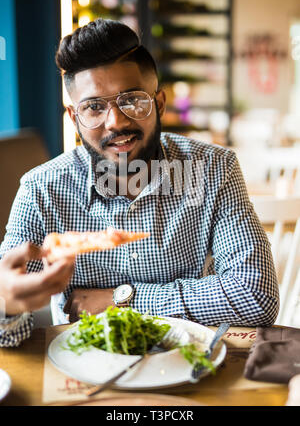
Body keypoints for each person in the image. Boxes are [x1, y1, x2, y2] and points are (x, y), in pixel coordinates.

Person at [0, 18, 279, 347]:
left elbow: (257, 295)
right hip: (80, 371)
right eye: (93, 107)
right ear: (75, 118)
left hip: (189, 365)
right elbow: (8, 329)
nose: (115, 122)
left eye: (132, 100)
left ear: (159, 104)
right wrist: (7, 307)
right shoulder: (41, 189)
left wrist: (121, 299)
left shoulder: (215, 168)